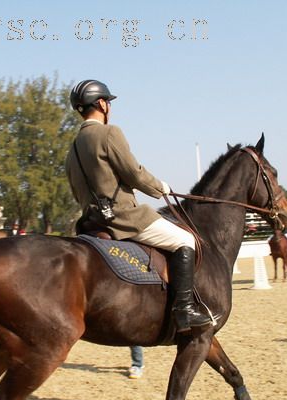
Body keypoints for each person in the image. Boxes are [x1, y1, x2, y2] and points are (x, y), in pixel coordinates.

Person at [65, 79, 211, 333]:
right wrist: (160, 188)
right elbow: (133, 172)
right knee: (185, 240)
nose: (109, 107)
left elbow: (77, 190)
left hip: (90, 221)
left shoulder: (73, 148)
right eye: (108, 102)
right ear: (101, 104)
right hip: (124, 218)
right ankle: (184, 309)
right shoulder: (109, 133)